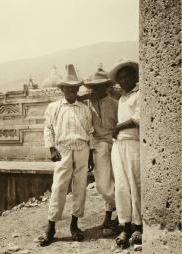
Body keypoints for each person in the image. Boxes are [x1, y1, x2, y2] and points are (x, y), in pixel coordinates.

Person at [39, 64, 94, 246]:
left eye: (74, 88)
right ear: (62, 89)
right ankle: (51, 226)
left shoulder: (84, 109)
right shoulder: (54, 107)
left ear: (78, 89)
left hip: (82, 150)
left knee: (80, 187)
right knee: (59, 187)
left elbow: (90, 131)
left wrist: (91, 154)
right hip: (62, 151)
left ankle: (74, 225)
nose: (71, 91)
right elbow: (48, 129)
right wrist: (52, 149)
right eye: (68, 87)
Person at [109, 60, 142, 248]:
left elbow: (138, 118)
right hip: (118, 145)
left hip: (133, 144)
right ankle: (125, 224)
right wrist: (116, 132)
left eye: (126, 76)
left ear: (134, 77)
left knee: (135, 183)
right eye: (120, 78)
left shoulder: (140, 95)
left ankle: (138, 225)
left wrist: (118, 127)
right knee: (121, 185)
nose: (123, 80)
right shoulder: (121, 99)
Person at [84, 66, 118, 236]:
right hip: (97, 146)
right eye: (93, 87)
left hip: (115, 144)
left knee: (118, 180)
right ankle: (126, 208)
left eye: (100, 86)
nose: (96, 90)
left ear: (106, 86)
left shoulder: (115, 104)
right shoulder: (88, 104)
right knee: (103, 185)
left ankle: (110, 217)